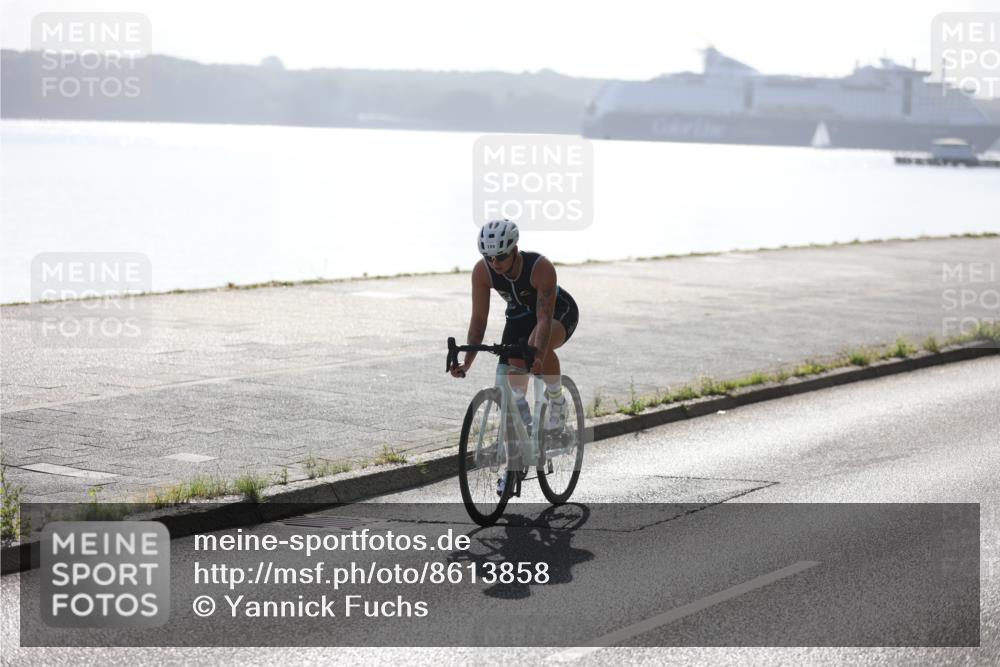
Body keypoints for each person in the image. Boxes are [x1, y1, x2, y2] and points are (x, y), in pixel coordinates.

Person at [450, 218, 579, 433]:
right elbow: (479, 321)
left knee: (533, 345)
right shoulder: (482, 272)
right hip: (519, 315)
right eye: (488, 257)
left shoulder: (540, 268)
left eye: (500, 256)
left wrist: (537, 357)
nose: (494, 263)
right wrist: (467, 362)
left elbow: (544, 319)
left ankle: (557, 401)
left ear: (515, 250)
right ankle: (523, 425)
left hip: (557, 311)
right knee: (512, 363)